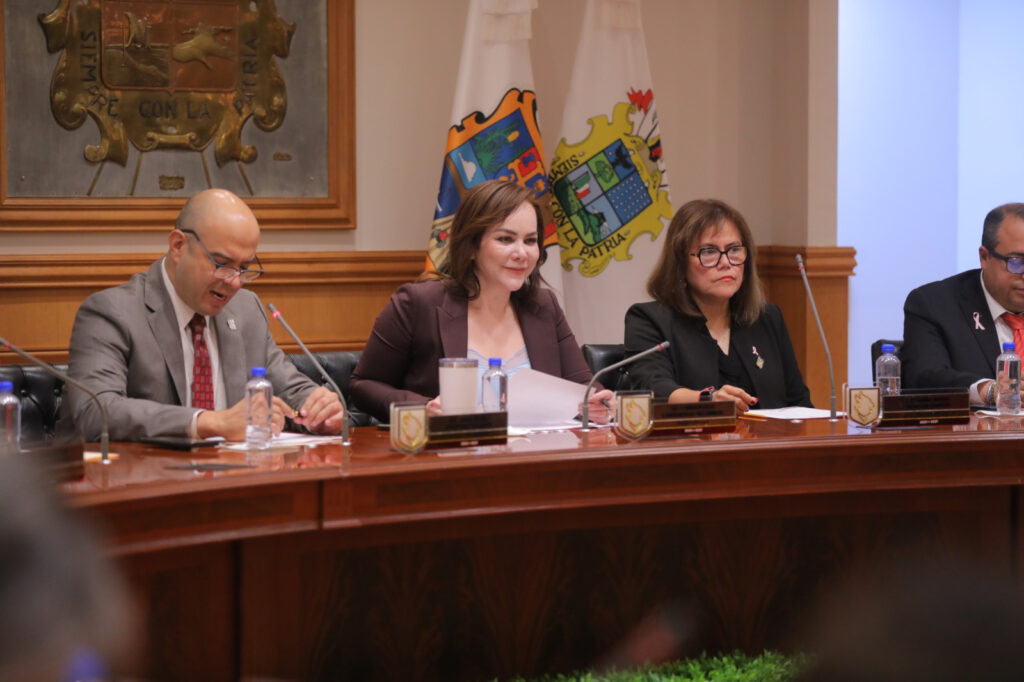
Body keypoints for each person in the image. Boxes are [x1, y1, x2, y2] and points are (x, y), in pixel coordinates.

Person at [61, 189, 345, 441]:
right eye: (221, 264)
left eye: (244, 268)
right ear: (178, 246)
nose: (234, 281)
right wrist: (211, 422)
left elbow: (289, 386)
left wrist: (319, 409)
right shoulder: (111, 312)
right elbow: (96, 411)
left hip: (232, 479)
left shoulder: (247, 310)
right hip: (133, 483)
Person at [349, 179, 613, 422]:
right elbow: (364, 385)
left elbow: (584, 388)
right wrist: (422, 408)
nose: (522, 253)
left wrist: (598, 403)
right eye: (505, 239)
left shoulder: (544, 306)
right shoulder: (418, 303)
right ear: (472, 246)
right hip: (446, 461)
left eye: (530, 241)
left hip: (536, 459)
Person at [624, 198, 811, 411]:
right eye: (709, 252)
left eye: (734, 250)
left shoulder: (767, 318)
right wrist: (708, 400)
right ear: (680, 264)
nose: (726, 263)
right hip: (692, 442)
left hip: (767, 442)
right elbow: (653, 389)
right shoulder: (649, 319)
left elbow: (798, 401)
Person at [903, 203, 1024, 405]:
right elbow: (923, 377)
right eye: (1016, 262)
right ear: (984, 257)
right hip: (979, 434)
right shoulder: (934, 305)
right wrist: (990, 391)